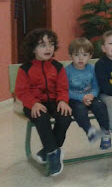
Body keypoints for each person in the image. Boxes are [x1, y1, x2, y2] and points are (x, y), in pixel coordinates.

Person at [14, 29, 72, 176]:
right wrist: (33, 103)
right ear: (33, 49)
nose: (48, 48)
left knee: (65, 116)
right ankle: (53, 153)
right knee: (42, 118)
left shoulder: (57, 67)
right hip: (33, 104)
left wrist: (63, 101)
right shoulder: (24, 69)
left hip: (54, 101)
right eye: (42, 45)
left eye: (51, 44)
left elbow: (63, 87)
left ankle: (49, 149)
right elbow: (22, 91)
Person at [65, 37, 110, 148]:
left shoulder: (92, 69)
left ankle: (105, 132)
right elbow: (65, 91)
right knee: (79, 110)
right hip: (74, 99)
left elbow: (96, 86)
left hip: (91, 96)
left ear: (90, 56)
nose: (81, 58)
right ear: (70, 56)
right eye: (76, 55)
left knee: (100, 106)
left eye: (85, 55)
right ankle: (90, 131)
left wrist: (91, 95)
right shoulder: (67, 71)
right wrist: (82, 98)